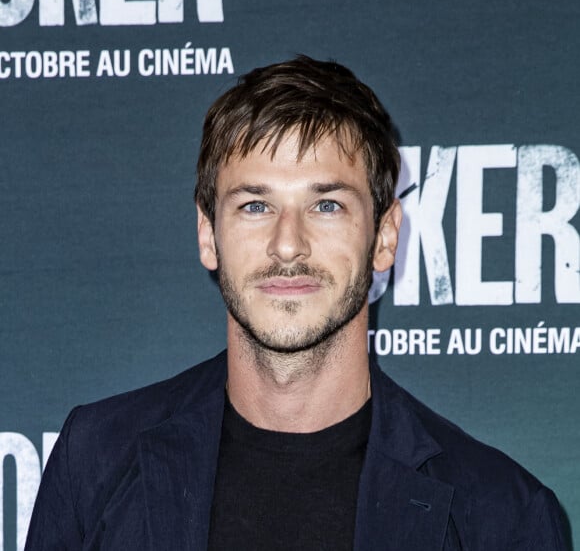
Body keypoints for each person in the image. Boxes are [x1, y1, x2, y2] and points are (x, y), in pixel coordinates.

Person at [26, 56, 567, 551]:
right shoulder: (95, 462)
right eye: (256, 205)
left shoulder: (502, 516)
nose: (288, 244)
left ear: (383, 238)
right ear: (208, 234)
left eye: (326, 204)